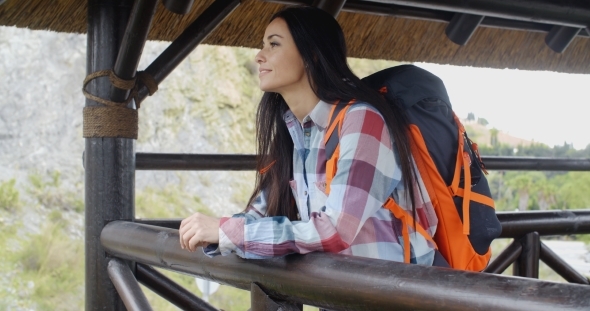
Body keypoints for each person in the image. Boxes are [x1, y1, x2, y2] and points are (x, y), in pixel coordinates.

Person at [179, 5, 438, 265]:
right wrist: (218, 232)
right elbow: (261, 212)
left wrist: (227, 232)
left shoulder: (362, 121)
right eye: (263, 45)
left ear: (311, 55)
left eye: (273, 44)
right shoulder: (297, 131)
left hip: (392, 295)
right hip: (341, 294)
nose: (259, 55)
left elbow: (336, 230)